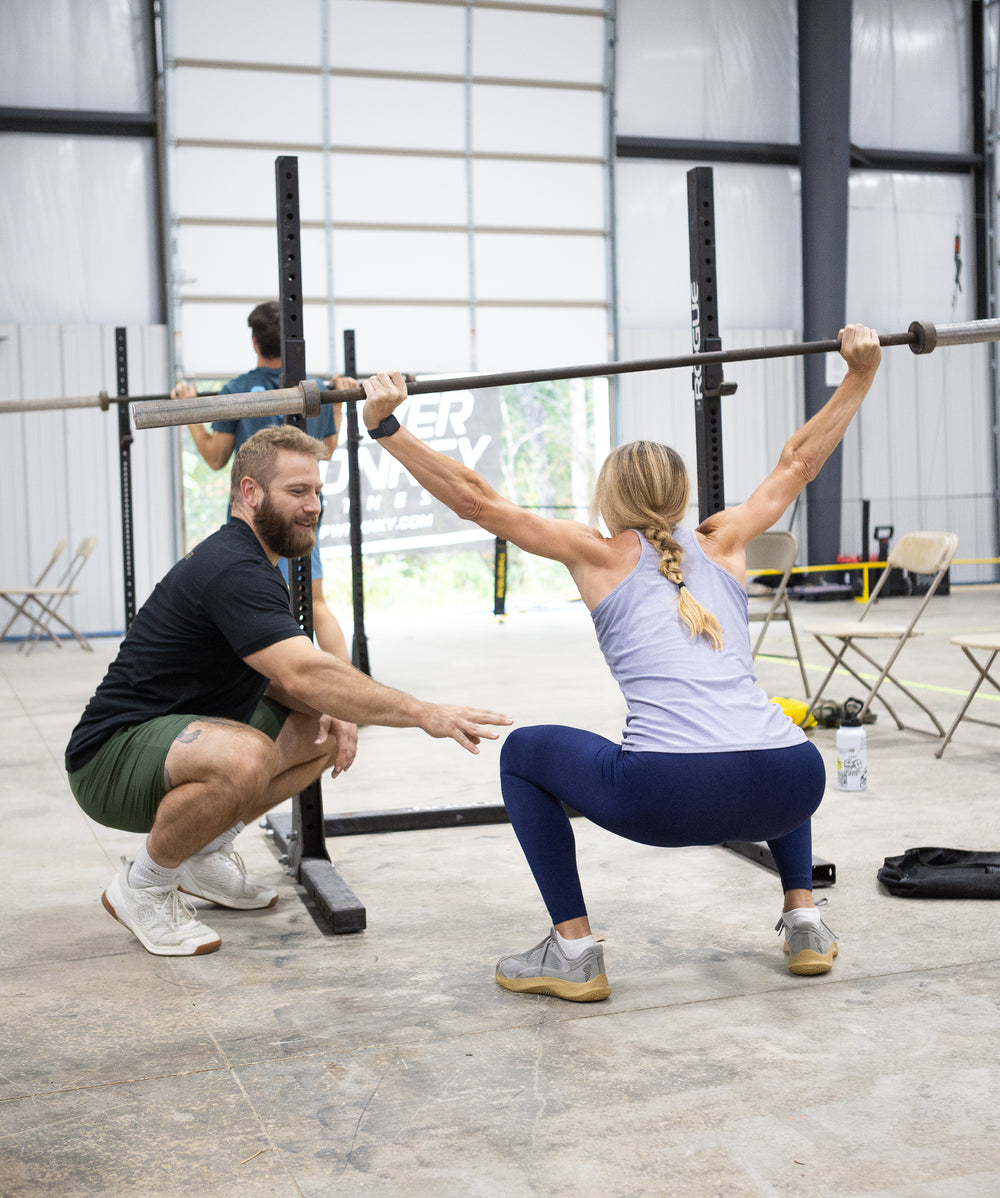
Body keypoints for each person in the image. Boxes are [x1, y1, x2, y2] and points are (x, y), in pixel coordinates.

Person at [354, 324, 882, 1001]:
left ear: (609, 497)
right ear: (682, 495)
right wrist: (860, 374)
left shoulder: (596, 553)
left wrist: (386, 426)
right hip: (793, 782)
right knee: (759, 725)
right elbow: (799, 463)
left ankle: (574, 952)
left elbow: (476, 500)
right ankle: (804, 920)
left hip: (668, 797)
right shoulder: (726, 538)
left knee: (523, 752)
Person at [66, 424, 511, 958]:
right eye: (297, 491)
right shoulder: (233, 567)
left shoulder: (257, 563)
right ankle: (143, 886)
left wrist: (334, 708)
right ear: (250, 492)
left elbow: (280, 678)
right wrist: (423, 713)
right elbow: (303, 674)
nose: (313, 506)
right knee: (246, 755)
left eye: (317, 491)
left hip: (174, 739)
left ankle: (200, 855)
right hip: (109, 759)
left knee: (323, 730)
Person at [171, 300, 352, 663]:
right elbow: (327, 449)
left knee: (255, 603)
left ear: (255, 342)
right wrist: (337, 401)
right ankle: (349, 686)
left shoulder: (237, 390)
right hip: (302, 506)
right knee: (313, 602)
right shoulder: (313, 389)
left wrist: (189, 409)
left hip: (256, 513)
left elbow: (215, 457)